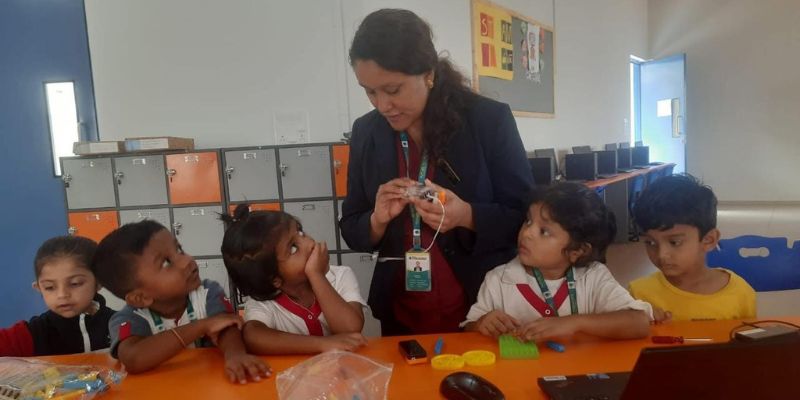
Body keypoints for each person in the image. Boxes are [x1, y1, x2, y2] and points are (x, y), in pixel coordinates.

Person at [340, 8, 534, 335]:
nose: (382, 105)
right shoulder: (367, 132)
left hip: (482, 307)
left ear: (428, 74)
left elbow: (525, 217)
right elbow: (351, 226)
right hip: (402, 312)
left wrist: (466, 216)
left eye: (393, 90)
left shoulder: (487, 121)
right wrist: (377, 220)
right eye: (370, 91)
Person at [463, 183, 652, 341]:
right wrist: (481, 323)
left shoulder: (593, 276)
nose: (527, 233)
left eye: (544, 231)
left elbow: (639, 322)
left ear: (578, 250)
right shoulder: (498, 279)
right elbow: (468, 330)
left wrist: (574, 323)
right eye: (528, 221)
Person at [92, 220, 270, 383]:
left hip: (210, 384)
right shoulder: (128, 318)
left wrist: (235, 355)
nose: (187, 260)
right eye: (166, 263)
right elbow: (133, 359)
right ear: (141, 298)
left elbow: (227, 327)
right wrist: (202, 326)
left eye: (179, 250)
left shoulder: (207, 293)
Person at [220, 205, 367, 354]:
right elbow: (253, 337)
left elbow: (350, 329)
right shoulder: (264, 304)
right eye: (293, 248)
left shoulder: (340, 276)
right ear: (275, 279)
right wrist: (322, 344)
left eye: (300, 232)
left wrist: (317, 276)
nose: (310, 243)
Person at [629, 174, 756, 322]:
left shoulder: (740, 293)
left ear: (708, 240)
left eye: (674, 242)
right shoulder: (638, 295)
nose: (662, 254)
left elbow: (748, 336)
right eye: (650, 243)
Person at [0, 236, 115, 356]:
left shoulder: (119, 324)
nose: (62, 295)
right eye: (49, 287)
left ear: (99, 282)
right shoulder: (33, 332)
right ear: (39, 288)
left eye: (75, 283)